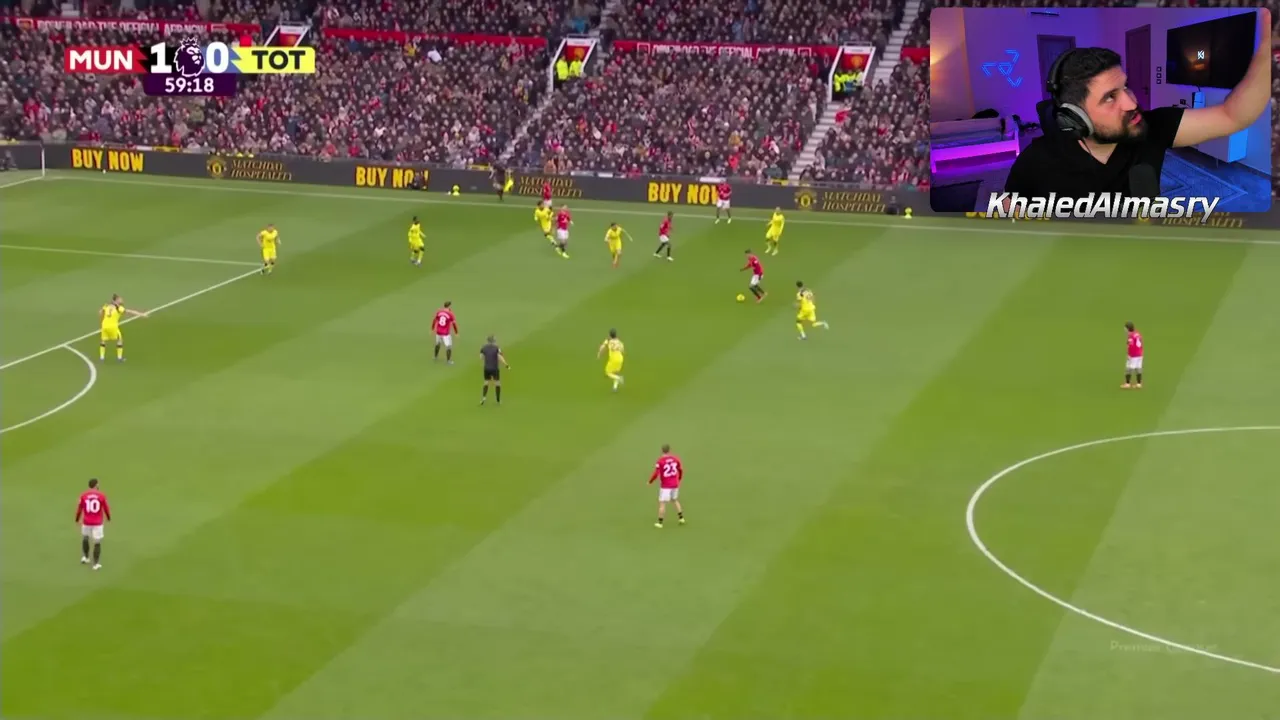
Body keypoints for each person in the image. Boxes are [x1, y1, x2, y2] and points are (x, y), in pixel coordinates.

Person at [1004, 11, 1272, 202]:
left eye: (1126, 86)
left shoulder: (1152, 126)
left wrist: (1268, 47)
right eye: (1110, 97)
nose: (1132, 102)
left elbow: (1233, 115)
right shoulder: (1035, 163)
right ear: (1074, 117)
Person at [479, 335, 509, 405]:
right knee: (497, 383)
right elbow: (500, 357)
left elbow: (481, 357)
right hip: (495, 368)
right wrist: (506, 365)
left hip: (487, 368)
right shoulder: (497, 348)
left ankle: (483, 398)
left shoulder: (483, 348)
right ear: (493, 341)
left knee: (486, 382)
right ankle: (498, 400)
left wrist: (486, 360)